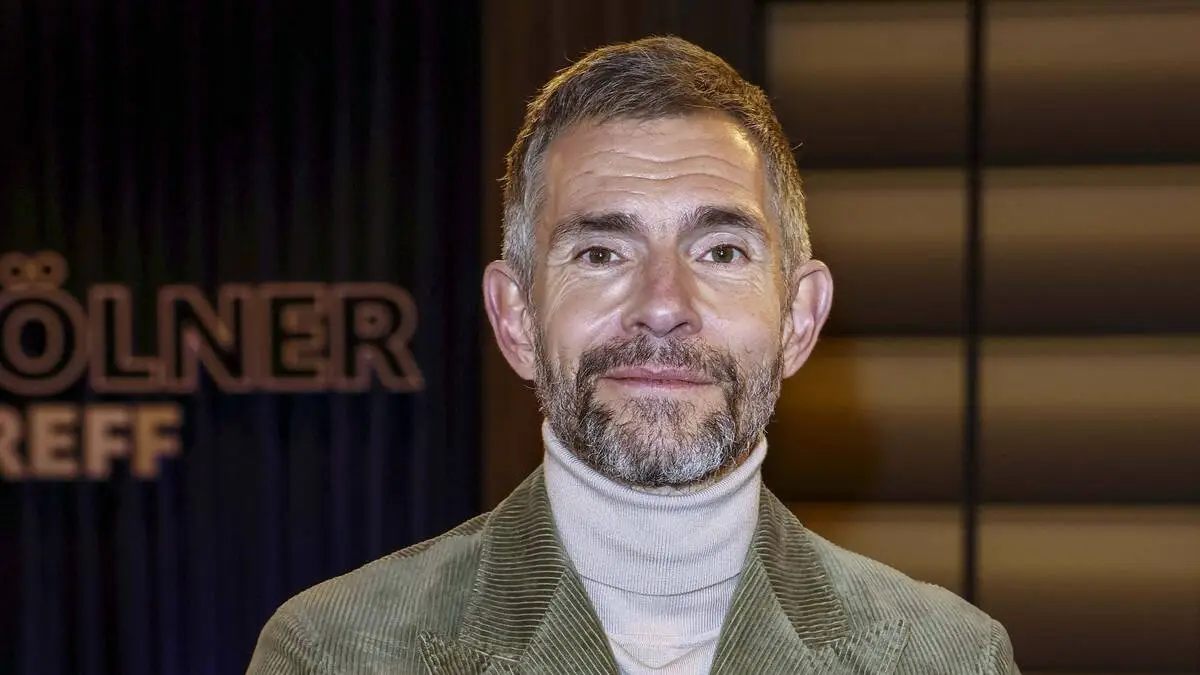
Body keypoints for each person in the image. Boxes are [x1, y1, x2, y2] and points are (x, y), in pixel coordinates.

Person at [248, 36, 1019, 674]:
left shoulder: (950, 657)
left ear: (798, 318)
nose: (662, 303)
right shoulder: (332, 651)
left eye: (720, 250)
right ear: (516, 319)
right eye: (601, 252)